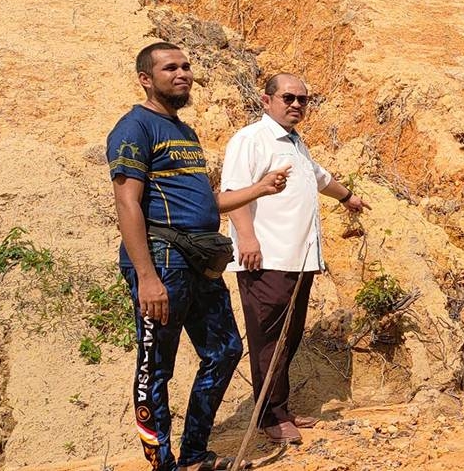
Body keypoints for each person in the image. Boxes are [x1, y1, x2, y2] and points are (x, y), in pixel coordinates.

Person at [108, 42, 290, 471]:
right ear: (145, 79)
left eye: (187, 66)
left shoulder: (185, 133)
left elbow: (205, 203)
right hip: (162, 260)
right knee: (156, 367)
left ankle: (194, 454)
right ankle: (163, 464)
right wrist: (146, 277)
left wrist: (259, 189)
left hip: (200, 261)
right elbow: (127, 204)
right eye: (171, 67)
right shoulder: (134, 128)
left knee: (225, 350)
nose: (183, 73)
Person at [222, 73, 370, 444]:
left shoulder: (295, 143)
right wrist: (247, 237)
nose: (297, 105)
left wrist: (347, 197)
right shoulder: (251, 139)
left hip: (298, 260)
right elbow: (233, 192)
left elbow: (320, 178)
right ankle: (270, 418)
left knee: (287, 337)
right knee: (268, 338)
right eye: (289, 97)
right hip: (266, 258)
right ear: (266, 99)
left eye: (304, 99)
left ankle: (280, 410)